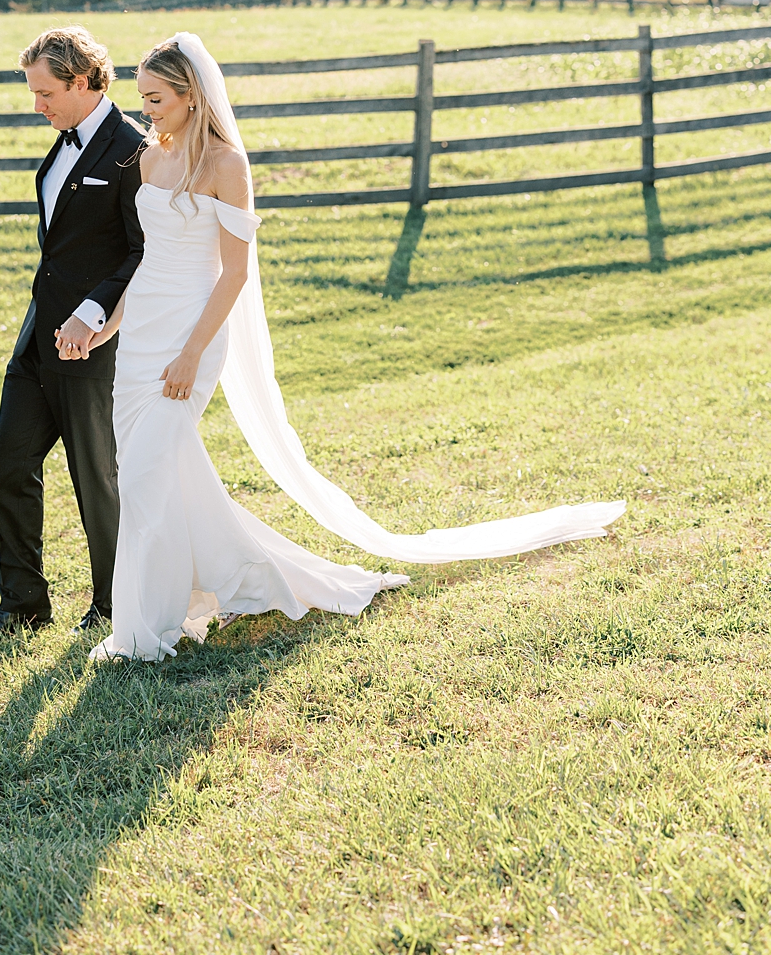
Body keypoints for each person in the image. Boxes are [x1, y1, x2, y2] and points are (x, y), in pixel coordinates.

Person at [71, 35, 626, 663]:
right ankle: (243, 579)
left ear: (192, 94)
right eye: (143, 99)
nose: (147, 112)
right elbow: (144, 261)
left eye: (157, 99)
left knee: (145, 476)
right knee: (162, 477)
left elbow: (233, 275)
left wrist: (194, 353)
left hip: (190, 336)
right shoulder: (149, 158)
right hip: (142, 338)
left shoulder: (226, 166)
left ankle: (145, 634)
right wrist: (103, 325)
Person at [0, 27, 148, 645]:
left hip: (93, 340)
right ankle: (23, 606)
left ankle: (115, 606)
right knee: (10, 458)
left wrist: (93, 312)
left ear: (84, 81)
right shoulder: (62, 145)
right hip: (38, 333)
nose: (37, 105)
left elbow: (145, 253)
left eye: (45, 93)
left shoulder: (133, 152)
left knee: (96, 477)